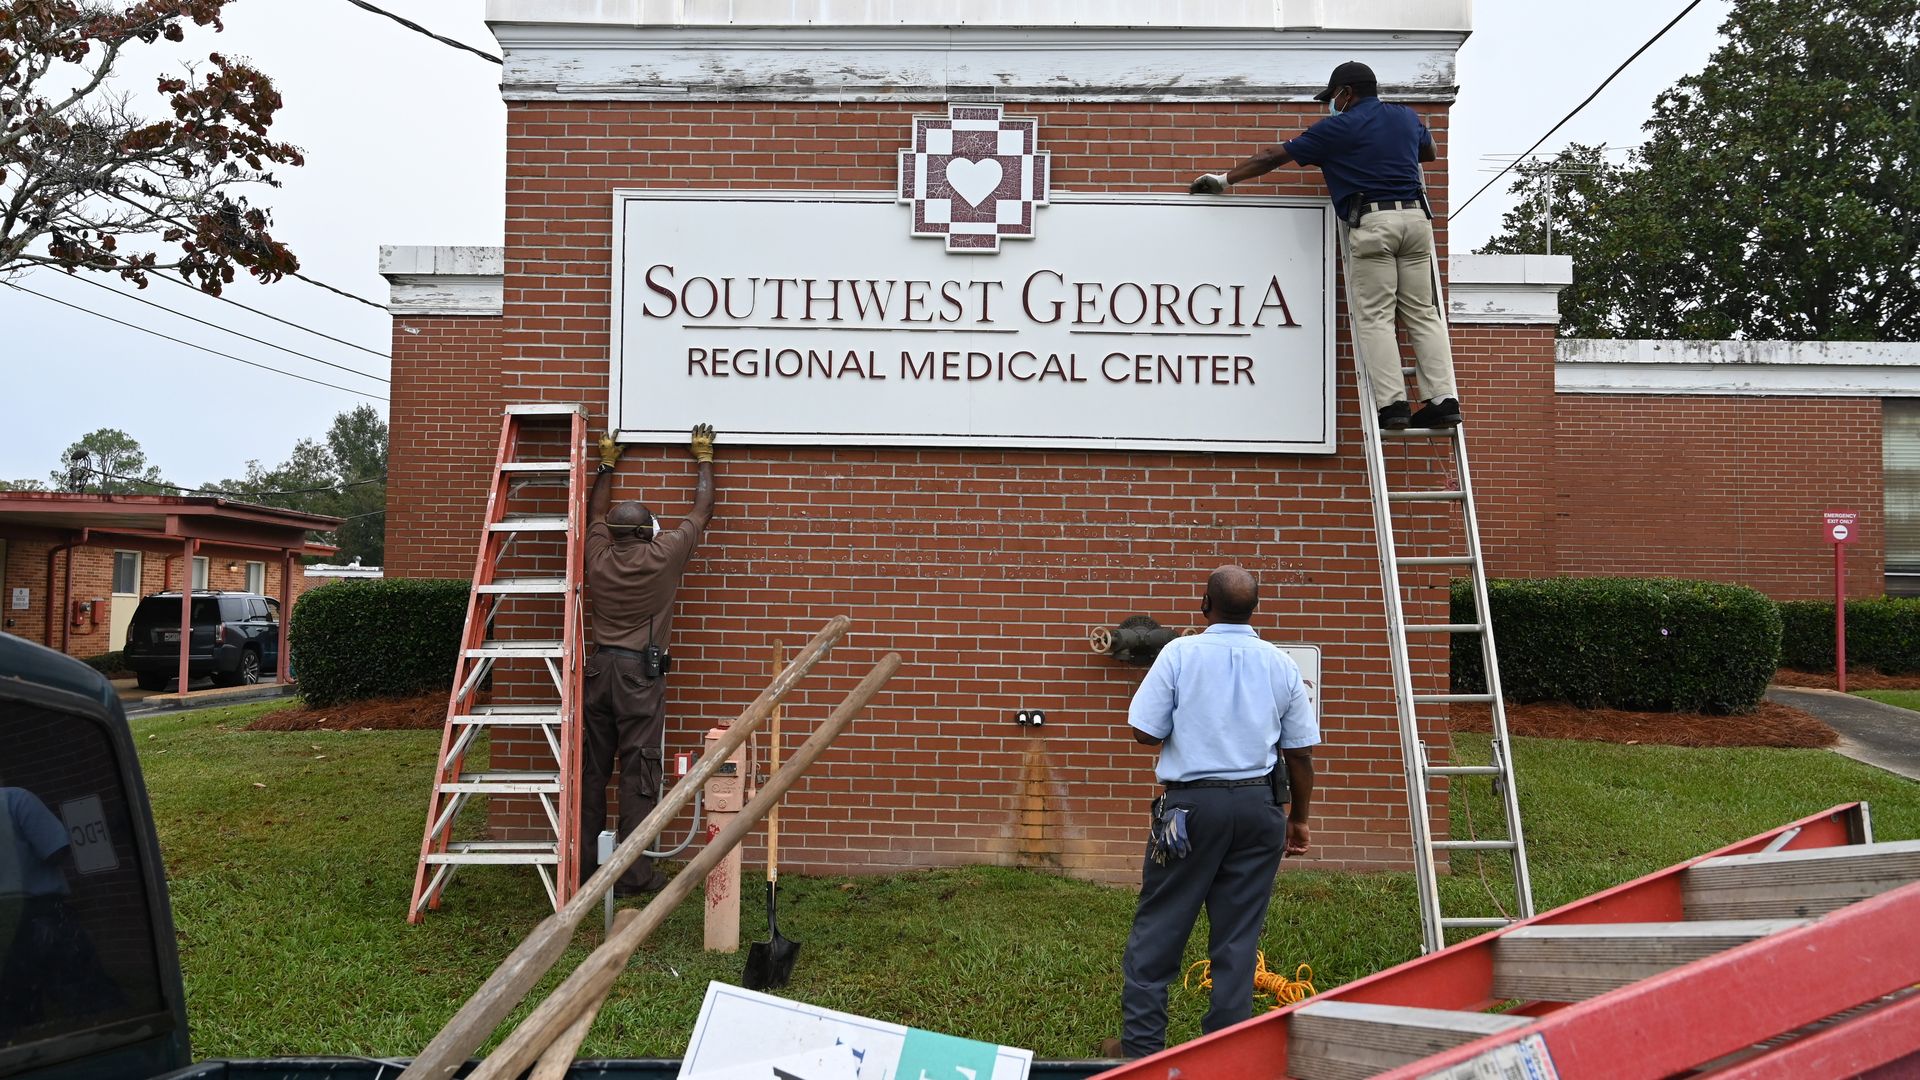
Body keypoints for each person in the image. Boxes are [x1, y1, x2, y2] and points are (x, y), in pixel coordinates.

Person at [1106, 566, 1319, 1060]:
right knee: (1238, 936)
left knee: (1159, 929)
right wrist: (1299, 818)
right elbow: (1301, 754)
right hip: (1259, 808)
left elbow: (1144, 733)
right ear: (1255, 609)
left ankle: (1139, 1052)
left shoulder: (1180, 653)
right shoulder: (1280, 663)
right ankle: (1224, 1058)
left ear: (1205, 604)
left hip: (1189, 811)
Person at [1189, 60, 1461, 432]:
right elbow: (1427, 153)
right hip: (1416, 223)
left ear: (1346, 93)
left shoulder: (1338, 127)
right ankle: (1444, 401)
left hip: (1374, 223)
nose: (1330, 105)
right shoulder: (1406, 118)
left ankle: (1394, 405)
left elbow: (1271, 157)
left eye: (1332, 97)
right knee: (1423, 314)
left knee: (1377, 316)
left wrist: (1223, 179)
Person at [578, 423, 717, 895]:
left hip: (598, 671)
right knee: (639, 772)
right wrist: (703, 457)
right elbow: (703, 510)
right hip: (639, 674)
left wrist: (607, 463)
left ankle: (583, 871)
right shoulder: (664, 556)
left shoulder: (596, 553)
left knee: (592, 771)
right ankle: (633, 874)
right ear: (646, 531)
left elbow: (597, 510)